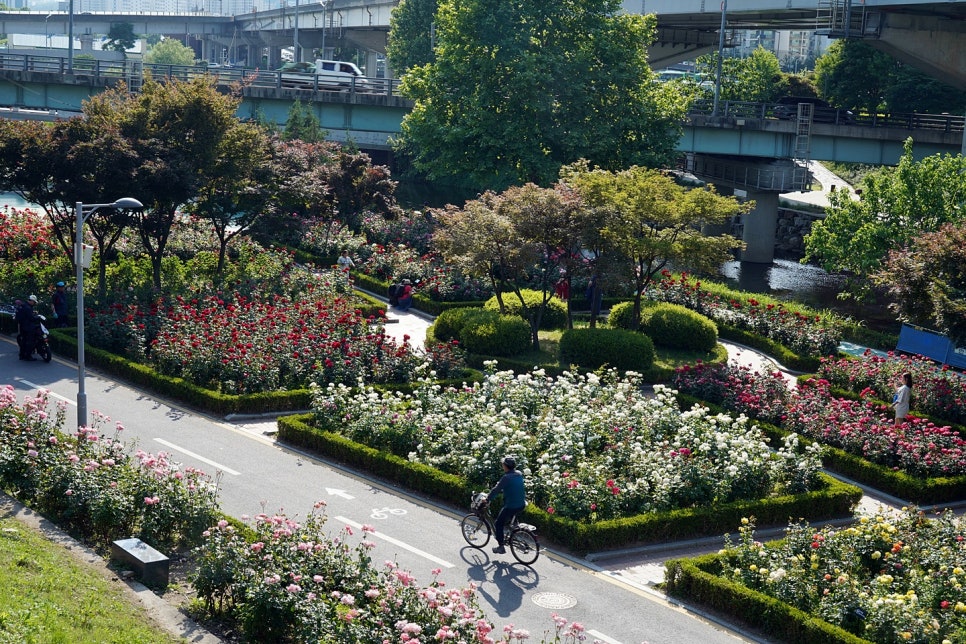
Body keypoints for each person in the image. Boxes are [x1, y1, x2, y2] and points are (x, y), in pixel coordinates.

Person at [486, 456, 526, 555]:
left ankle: (501, 547)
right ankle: (514, 530)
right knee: (510, 519)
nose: (502, 465)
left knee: (498, 524)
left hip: (511, 505)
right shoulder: (519, 474)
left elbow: (496, 490)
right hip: (521, 504)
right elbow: (513, 486)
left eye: (503, 464)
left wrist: (487, 499)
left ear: (506, 466)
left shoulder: (506, 477)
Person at [15, 295, 41, 361]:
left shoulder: (23, 305)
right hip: (28, 327)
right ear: (31, 301)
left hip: (22, 326)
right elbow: (31, 318)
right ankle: (28, 356)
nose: (34, 303)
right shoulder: (28, 308)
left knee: (23, 340)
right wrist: (37, 317)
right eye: (34, 302)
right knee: (30, 341)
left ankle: (22, 355)